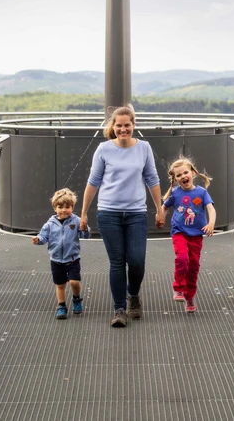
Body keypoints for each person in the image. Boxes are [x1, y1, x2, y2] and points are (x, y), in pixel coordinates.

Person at [80, 105, 165, 328]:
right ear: (113, 126)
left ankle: (133, 295)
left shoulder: (144, 148)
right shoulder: (103, 149)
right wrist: (83, 213)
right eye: (119, 125)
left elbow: (152, 179)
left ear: (133, 125)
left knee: (136, 260)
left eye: (127, 125)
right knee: (117, 262)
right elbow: (93, 181)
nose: (123, 129)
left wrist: (160, 208)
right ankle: (119, 309)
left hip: (136, 212)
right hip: (109, 213)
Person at [162, 157, 216, 313]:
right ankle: (178, 287)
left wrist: (211, 223)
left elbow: (211, 209)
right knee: (182, 258)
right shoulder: (175, 193)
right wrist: (160, 217)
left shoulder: (202, 192)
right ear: (175, 179)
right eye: (178, 175)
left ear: (193, 173)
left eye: (185, 172)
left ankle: (189, 295)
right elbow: (164, 207)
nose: (183, 177)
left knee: (193, 267)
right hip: (179, 232)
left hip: (196, 235)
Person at [32, 188, 91, 319]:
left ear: (72, 207)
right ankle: (61, 305)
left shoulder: (76, 221)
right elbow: (43, 237)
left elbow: (85, 235)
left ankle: (76, 299)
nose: (64, 210)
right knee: (60, 285)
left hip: (72, 259)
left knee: (74, 282)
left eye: (67, 207)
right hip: (56, 260)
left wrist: (85, 229)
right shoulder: (50, 224)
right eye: (60, 207)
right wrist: (38, 240)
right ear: (55, 208)